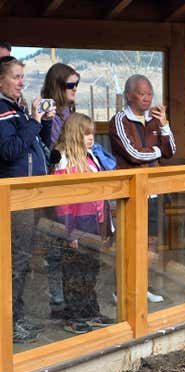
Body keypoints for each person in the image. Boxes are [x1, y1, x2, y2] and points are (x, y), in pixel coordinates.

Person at [0, 56, 55, 342]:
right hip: (14, 196)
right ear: (1, 80)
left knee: (20, 259)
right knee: (15, 259)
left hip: (28, 194)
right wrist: (33, 121)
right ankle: (8, 324)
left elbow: (37, 146)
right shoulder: (1, 111)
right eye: (16, 77)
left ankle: (16, 318)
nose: (22, 82)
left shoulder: (16, 110)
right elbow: (9, 151)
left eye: (23, 76)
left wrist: (42, 123)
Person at [109, 74, 176, 303]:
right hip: (131, 193)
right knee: (129, 242)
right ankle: (121, 289)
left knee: (150, 243)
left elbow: (171, 151)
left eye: (150, 94)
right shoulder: (120, 120)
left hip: (153, 191)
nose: (147, 98)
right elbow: (133, 154)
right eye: (142, 93)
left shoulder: (155, 120)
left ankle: (141, 286)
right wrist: (157, 152)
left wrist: (165, 124)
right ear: (129, 95)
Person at [51, 113, 114, 334]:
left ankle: (90, 311)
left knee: (91, 269)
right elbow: (62, 202)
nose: (91, 138)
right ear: (75, 134)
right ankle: (73, 316)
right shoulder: (62, 159)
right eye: (86, 133)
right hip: (76, 224)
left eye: (93, 133)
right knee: (74, 273)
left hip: (94, 224)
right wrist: (70, 233)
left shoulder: (91, 158)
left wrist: (106, 227)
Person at [41, 62, 80, 315]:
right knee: (56, 241)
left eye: (77, 84)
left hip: (74, 183)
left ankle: (71, 293)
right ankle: (57, 296)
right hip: (55, 183)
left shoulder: (70, 113)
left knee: (73, 241)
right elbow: (54, 149)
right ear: (58, 86)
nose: (75, 89)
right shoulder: (51, 115)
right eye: (70, 85)